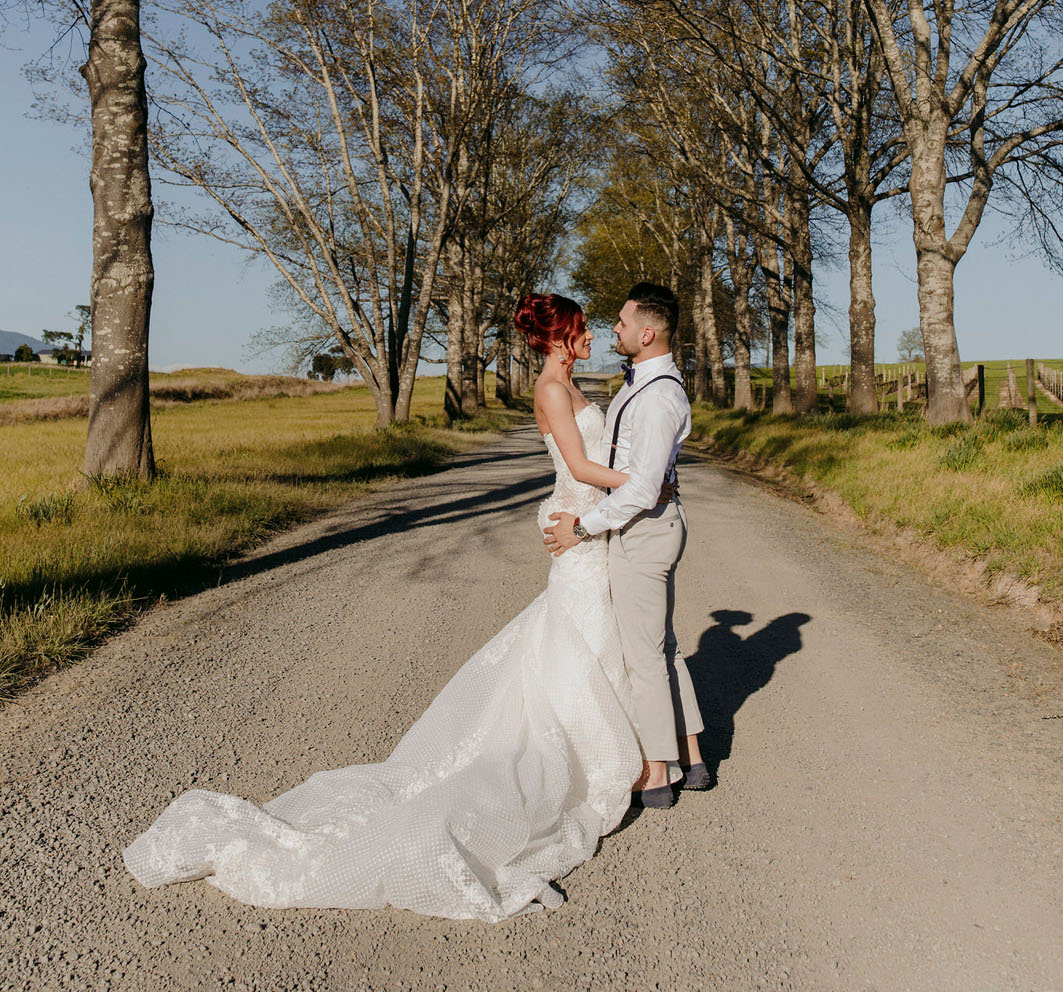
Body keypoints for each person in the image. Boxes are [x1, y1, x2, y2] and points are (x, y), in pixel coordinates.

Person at [122, 293, 644, 921]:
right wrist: (645, 483)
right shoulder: (553, 390)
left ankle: (607, 743)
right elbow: (580, 467)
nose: (591, 335)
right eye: (582, 328)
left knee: (584, 638)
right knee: (578, 635)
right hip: (580, 523)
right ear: (559, 337)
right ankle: (586, 758)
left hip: (590, 525)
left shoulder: (572, 384)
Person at [543, 281, 708, 807]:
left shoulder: (658, 397)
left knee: (644, 656)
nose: (611, 329)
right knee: (662, 646)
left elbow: (640, 487)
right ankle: (692, 755)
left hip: (642, 530)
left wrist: (582, 527)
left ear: (648, 332)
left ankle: (657, 775)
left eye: (621, 321)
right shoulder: (640, 385)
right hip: (636, 524)